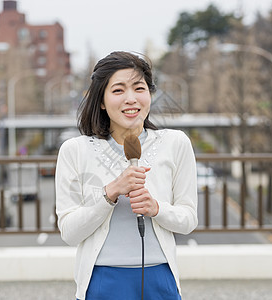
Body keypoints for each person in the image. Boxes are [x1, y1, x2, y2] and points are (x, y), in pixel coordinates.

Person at [55, 51, 198, 300]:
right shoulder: (75, 150)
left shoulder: (175, 143)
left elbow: (188, 220)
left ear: (150, 94)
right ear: (101, 100)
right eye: (118, 90)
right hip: (101, 281)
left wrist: (156, 208)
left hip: (160, 278)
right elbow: (69, 232)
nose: (131, 99)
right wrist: (109, 194)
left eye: (139, 88)